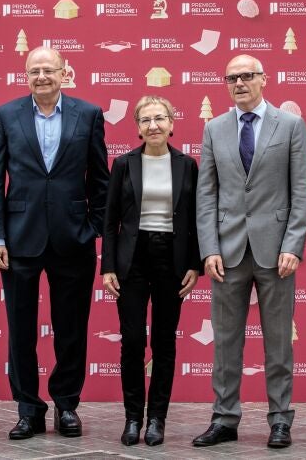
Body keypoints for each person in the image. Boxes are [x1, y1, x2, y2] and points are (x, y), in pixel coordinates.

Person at [0, 46, 109, 440]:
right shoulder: (6, 115)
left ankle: (66, 405)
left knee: (71, 329)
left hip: (73, 238)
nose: (42, 76)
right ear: (26, 75)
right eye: (34, 70)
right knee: (20, 330)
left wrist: (93, 227)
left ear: (64, 73)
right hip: (19, 238)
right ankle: (28, 410)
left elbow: (100, 179)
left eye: (49, 70)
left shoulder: (89, 114)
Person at [192, 54, 306, 449]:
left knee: (278, 343)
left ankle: (280, 419)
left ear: (264, 79)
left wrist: (293, 245)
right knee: (225, 343)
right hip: (227, 253)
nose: (240, 83)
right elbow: (206, 194)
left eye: (247, 76)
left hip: (277, 253)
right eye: (232, 78)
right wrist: (209, 248)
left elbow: (302, 191)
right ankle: (224, 418)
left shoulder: (290, 125)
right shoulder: (214, 128)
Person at [101, 96, 202, 447]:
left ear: (172, 123)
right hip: (132, 259)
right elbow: (110, 220)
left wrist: (195, 264)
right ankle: (133, 418)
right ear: (138, 127)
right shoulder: (123, 164)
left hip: (171, 259)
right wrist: (108, 266)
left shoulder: (187, 165)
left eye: (160, 118)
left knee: (163, 341)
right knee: (132, 341)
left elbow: (195, 219)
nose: (153, 125)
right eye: (145, 120)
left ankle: (157, 418)